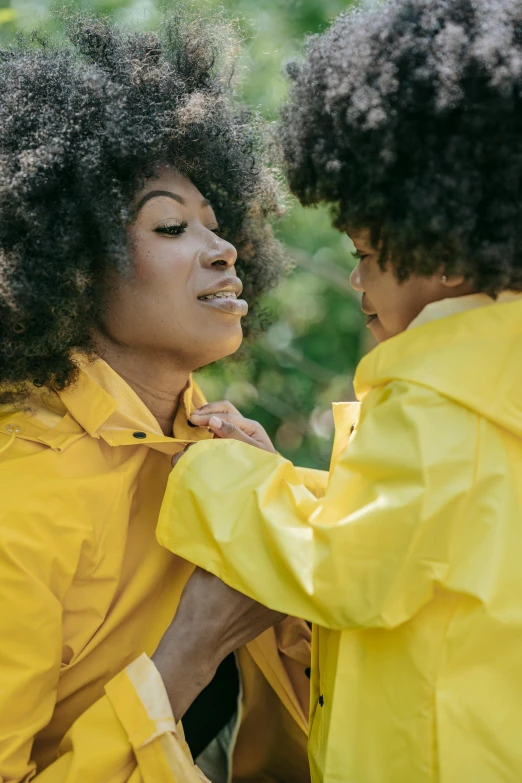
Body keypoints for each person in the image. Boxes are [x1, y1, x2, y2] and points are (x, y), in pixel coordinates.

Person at [157, 0, 522, 781]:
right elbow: (436, 535)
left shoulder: (443, 398)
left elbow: (354, 570)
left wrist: (217, 477)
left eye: (364, 252)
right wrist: (285, 483)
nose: (355, 280)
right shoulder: (495, 386)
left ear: (446, 245)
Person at [0, 12, 313, 783]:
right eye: (171, 224)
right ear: (71, 263)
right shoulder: (20, 494)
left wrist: (300, 531)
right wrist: (191, 650)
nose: (224, 247)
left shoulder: (230, 451)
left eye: (218, 222)